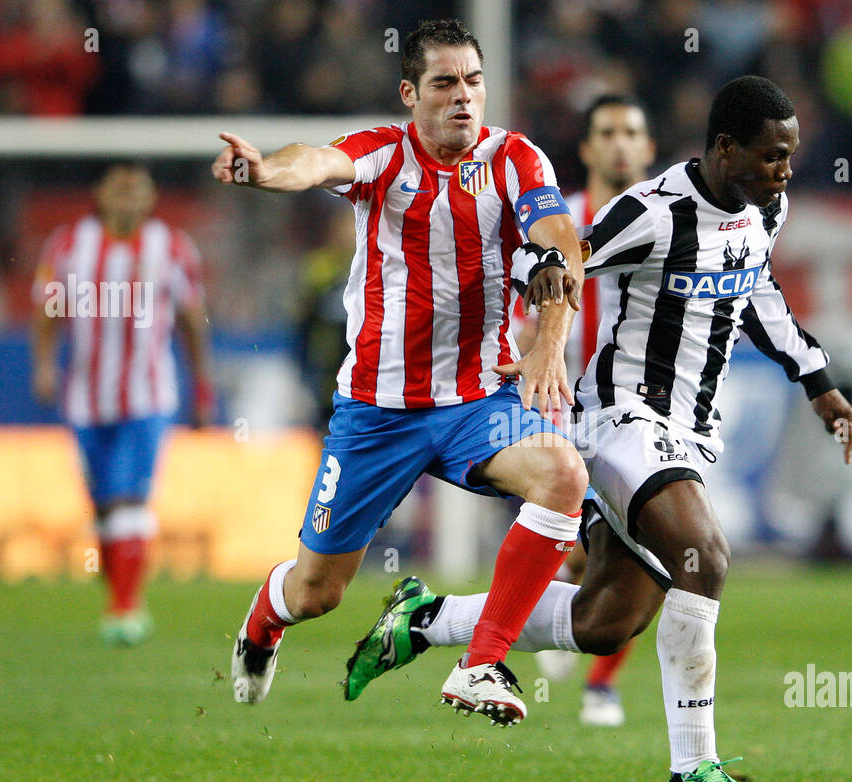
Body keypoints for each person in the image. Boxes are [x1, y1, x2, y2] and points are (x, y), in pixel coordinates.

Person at [346, 76, 852, 782]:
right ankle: (696, 771)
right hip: (624, 417)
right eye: (771, 156)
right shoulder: (654, 213)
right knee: (705, 557)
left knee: (605, 621)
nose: (785, 170)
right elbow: (553, 258)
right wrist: (544, 303)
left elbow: (757, 291)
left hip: (692, 432)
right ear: (725, 149)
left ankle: (426, 620)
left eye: (790, 156)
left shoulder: (763, 207)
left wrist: (814, 378)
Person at [213, 18, 588, 726]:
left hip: (476, 402)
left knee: (564, 475)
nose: (463, 98)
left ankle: (481, 661)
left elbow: (560, 243)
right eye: (445, 83)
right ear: (411, 93)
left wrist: (549, 343)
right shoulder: (384, 154)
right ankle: (265, 620)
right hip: (376, 413)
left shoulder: (516, 161)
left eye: (473, 82)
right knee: (318, 592)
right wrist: (267, 172)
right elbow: (315, 160)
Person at [31, 163, 215, 645]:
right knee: (104, 507)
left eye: (140, 191)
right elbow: (49, 308)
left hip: (147, 396)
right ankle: (119, 594)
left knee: (131, 499)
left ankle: (126, 607)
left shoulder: (172, 247)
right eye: (120, 189)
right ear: (102, 195)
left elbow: (191, 319)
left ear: (152, 199)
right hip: (85, 399)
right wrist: (45, 364)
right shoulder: (69, 244)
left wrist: (201, 386)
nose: (130, 199)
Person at [522, 93, 656, 727]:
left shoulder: (669, 219)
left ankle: (601, 683)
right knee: (587, 533)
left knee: (649, 543)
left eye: (632, 131)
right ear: (586, 149)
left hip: (643, 409)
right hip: (564, 401)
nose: (621, 143)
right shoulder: (561, 224)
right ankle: (557, 604)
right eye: (607, 131)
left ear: (649, 147)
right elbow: (528, 308)